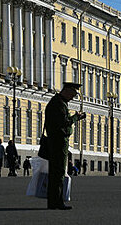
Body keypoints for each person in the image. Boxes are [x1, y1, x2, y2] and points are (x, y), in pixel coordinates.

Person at [45, 82, 87, 210]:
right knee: (59, 173)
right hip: (58, 142)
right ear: (67, 91)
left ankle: (54, 201)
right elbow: (64, 122)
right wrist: (76, 117)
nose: (72, 98)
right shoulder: (58, 104)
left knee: (56, 173)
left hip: (57, 141)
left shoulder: (58, 102)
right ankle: (57, 202)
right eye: (73, 95)